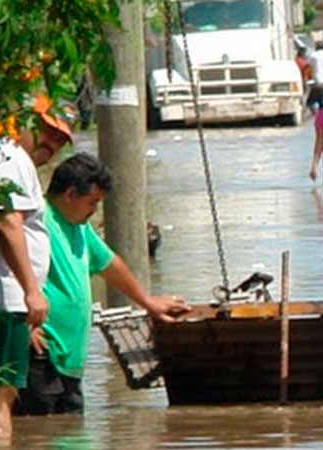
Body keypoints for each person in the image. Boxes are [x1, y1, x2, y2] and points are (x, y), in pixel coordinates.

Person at [14, 153, 191, 415]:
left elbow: (109, 264)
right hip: (41, 354)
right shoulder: (37, 222)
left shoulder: (79, 226)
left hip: (70, 360)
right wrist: (21, 325)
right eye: (92, 203)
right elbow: (8, 270)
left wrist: (146, 301)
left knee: (69, 434)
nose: (94, 211)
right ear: (71, 194)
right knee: (39, 430)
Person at [0, 95, 73, 438]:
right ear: (23, 121)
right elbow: (8, 223)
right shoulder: (9, 159)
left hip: (9, 301)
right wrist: (32, 291)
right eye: (47, 130)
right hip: (2, 298)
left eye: (61, 139)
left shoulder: (13, 161)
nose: (52, 143)